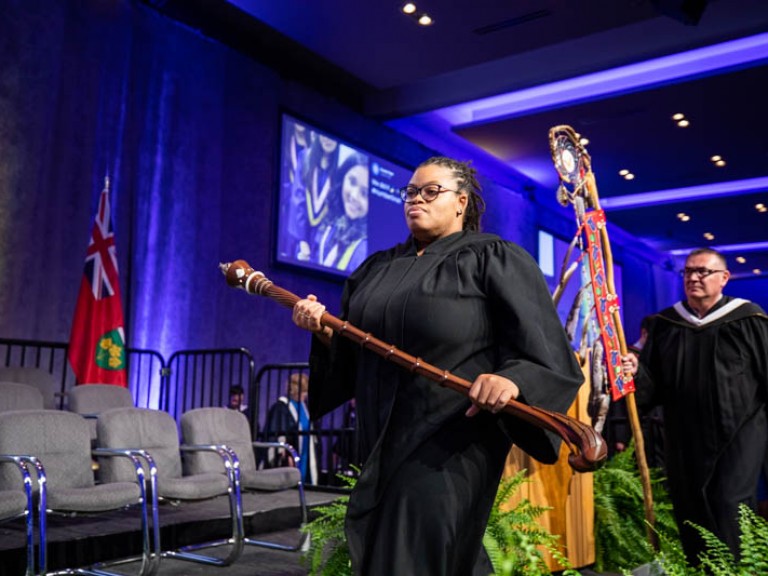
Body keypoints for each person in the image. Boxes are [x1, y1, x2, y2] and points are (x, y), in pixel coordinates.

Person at [292, 156, 584, 575]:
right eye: (411, 192)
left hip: (451, 436)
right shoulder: (378, 268)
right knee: (397, 549)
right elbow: (356, 355)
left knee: (414, 550)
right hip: (381, 436)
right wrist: (323, 333)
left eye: (431, 191)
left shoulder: (493, 258)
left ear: (461, 202)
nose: (416, 199)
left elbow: (544, 348)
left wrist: (512, 380)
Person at [622, 248, 768, 563]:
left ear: (724, 278)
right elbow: (651, 386)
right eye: (688, 272)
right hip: (684, 436)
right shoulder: (666, 324)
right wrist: (635, 372)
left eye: (703, 271)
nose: (693, 278)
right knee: (690, 507)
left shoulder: (749, 319)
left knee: (729, 502)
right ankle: (701, 569)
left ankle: (737, 570)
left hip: (739, 434)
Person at [316, 152, 369, 272]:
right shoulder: (334, 220)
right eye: (352, 182)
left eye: (365, 193)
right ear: (342, 178)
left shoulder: (363, 249)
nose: (354, 196)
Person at [262, 372, 318, 484]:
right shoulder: (282, 407)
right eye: (303, 391)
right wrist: (286, 454)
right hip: (291, 457)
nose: (305, 395)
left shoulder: (304, 407)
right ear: (295, 390)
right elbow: (277, 433)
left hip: (305, 454)